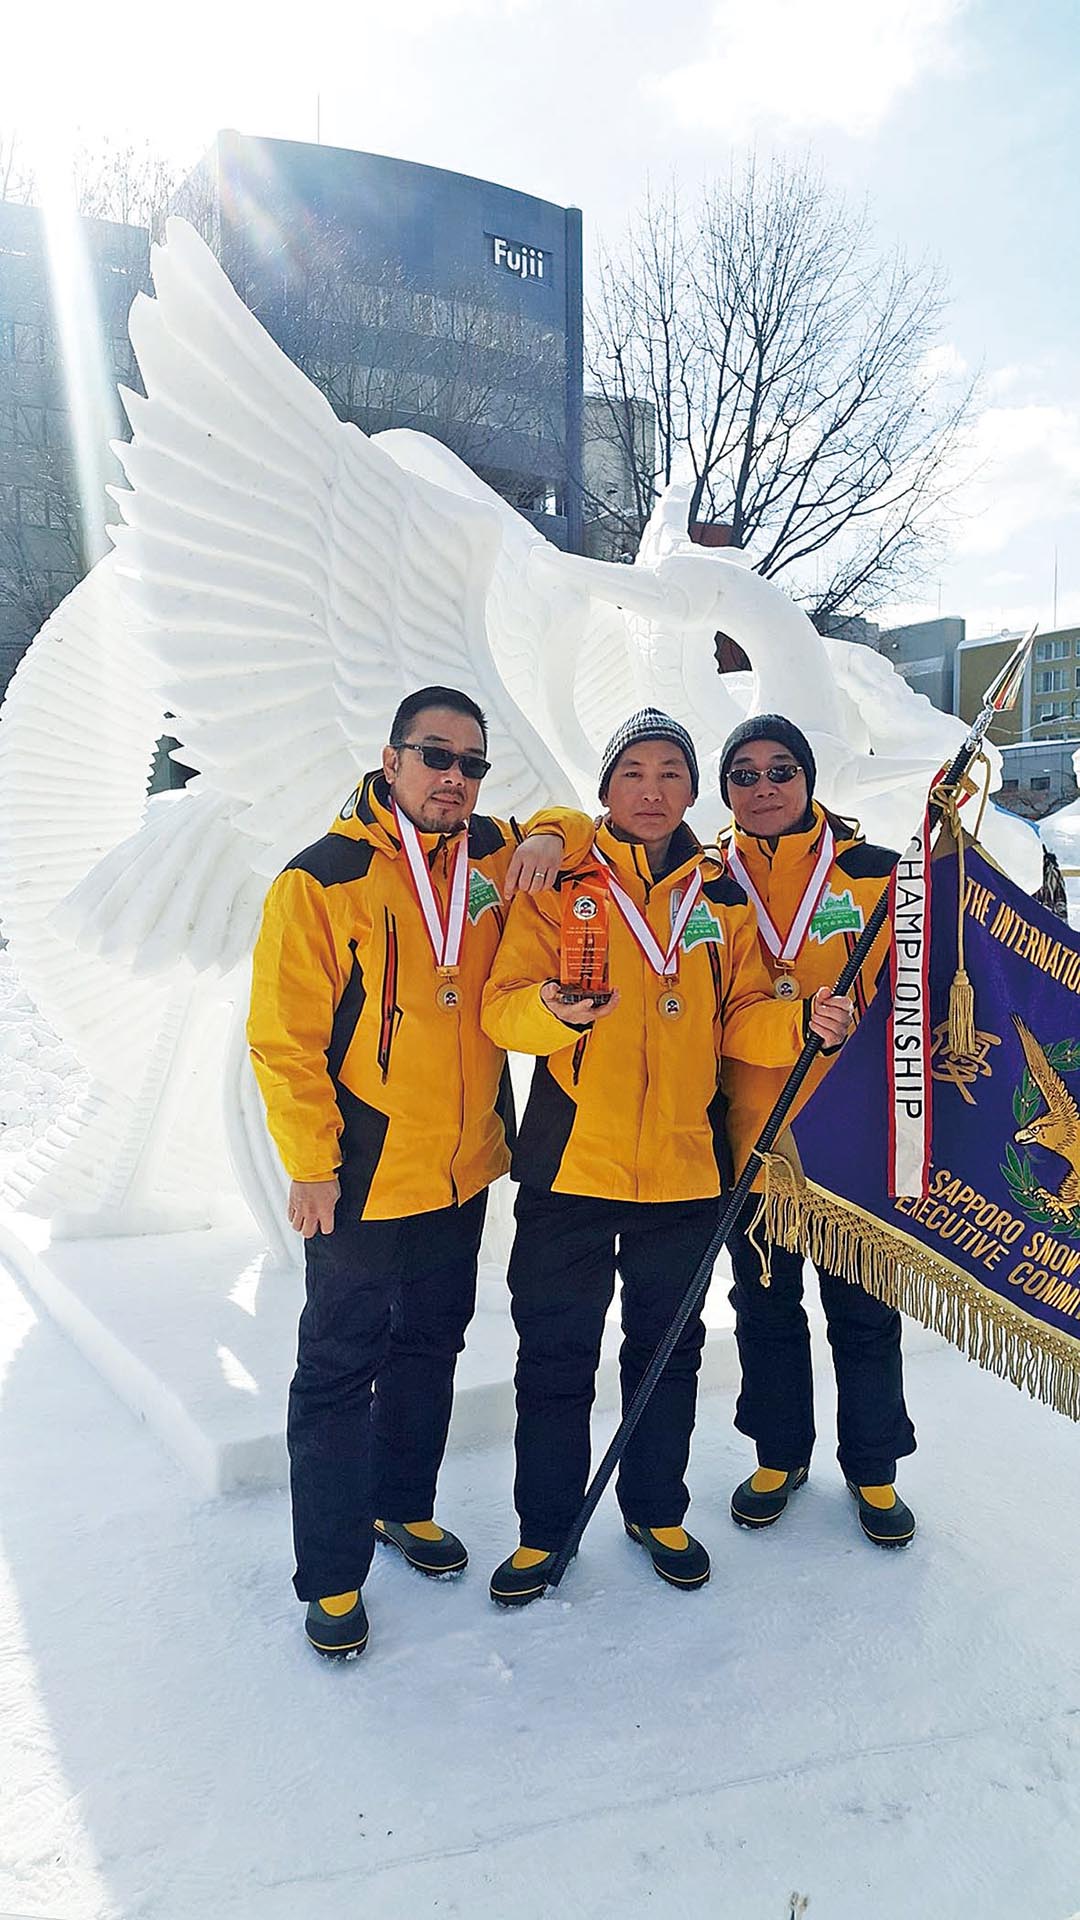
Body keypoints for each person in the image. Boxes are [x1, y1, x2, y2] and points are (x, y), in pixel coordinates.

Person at [480, 708, 854, 1605]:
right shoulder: (559, 881)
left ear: (693, 792)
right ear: (606, 788)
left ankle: (655, 1508)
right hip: (569, 1167)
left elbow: (739, 1019)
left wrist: (804, 1021)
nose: (652, 791)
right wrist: (551, 1012)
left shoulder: (719, 897)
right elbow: (500, 1006)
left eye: (671, 775)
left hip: (686, 1171)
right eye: (633, 773)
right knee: (557, 1355)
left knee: (667, 1351)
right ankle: (545, 1528)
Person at [248, 686, 590, 1658]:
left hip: (464, 1168)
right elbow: (284, 1044)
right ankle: (331, 1577)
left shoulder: (490, 854)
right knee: (336, 1372)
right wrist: (312, 1166)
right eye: (435, 756)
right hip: (359, 1180)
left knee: (431, 1347)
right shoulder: (321, 879)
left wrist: (549, 840)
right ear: (390, 760)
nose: (454, 777)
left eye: (472, 764)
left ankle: (402, 1505)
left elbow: (573, 823)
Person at [718, 714, 917, 1548]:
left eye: (781, 771)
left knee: (863, 1315)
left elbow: (921, 1002)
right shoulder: (705, 884)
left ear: (809, 781)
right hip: (753, 1145)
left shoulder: (877, 875)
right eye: (745, 774)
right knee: (765, 1312)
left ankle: (873, 1465)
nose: (764, 788)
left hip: (851, 1146)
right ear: (726, 790)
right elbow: (712, 1017)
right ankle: (779, 1452)